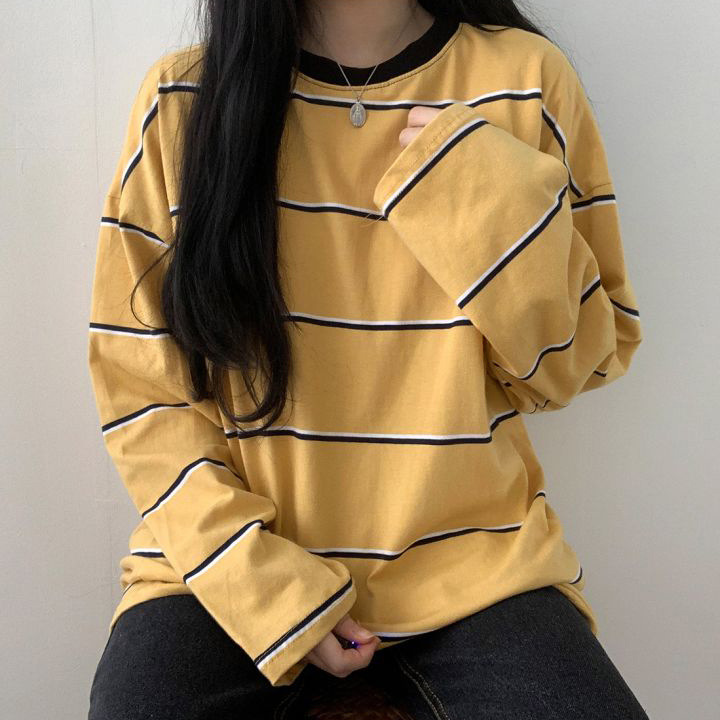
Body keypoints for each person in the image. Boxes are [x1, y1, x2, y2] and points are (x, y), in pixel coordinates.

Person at [86, 1, 648, 717]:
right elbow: (142, 393)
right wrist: (265, 587)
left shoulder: (526, 78)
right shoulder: (183, 100)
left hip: (477, 570)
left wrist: (487, 202)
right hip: (221, 572)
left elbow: (578, 365)